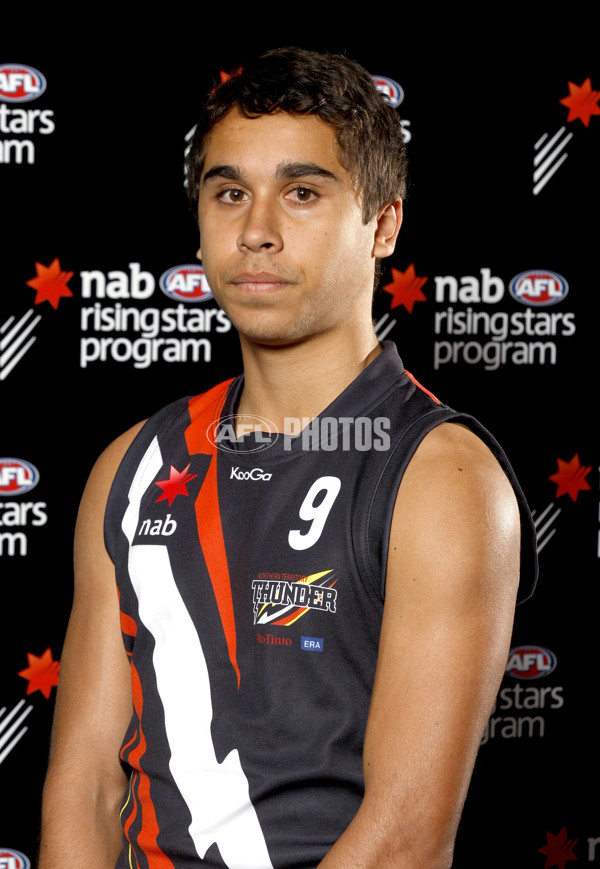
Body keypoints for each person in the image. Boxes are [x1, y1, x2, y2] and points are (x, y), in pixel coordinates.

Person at [39, 47, 537, 869]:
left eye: (302, 193)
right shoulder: (132, 464)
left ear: (383, 225)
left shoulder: (441, 476)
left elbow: (405, 841)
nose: (256, 229)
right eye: (230, 191)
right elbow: (86, 784)